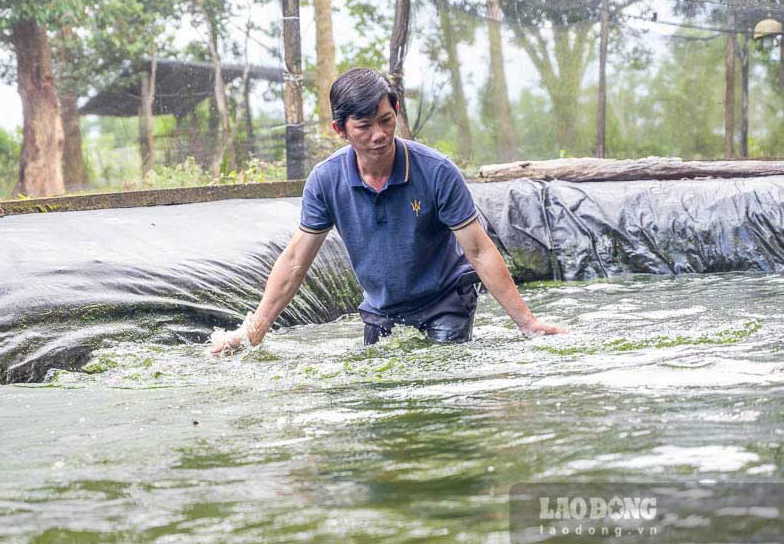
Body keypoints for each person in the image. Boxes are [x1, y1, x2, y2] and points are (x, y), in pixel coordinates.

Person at [211, 68, 564, 354]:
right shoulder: (326, 180)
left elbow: (478, 250)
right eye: (364, 126)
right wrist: (252, 333)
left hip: (445, 301)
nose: (379, 135)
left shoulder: (436, 171)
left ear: (395, 112)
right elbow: (294, 262)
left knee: (435, 384)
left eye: (385, 120)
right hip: (380, 309)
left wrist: (527, 323)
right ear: (340, 130)